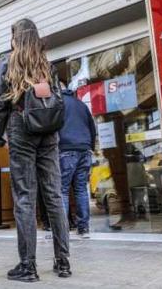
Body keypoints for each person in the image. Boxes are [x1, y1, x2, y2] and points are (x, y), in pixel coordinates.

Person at [0, 18, 71, 282]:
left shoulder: (7, 61)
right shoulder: (47, 64)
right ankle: (63, 263)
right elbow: (55, 98)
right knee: (53, 195)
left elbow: (1, 103)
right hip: (48, 131)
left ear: (15, 37)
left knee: (25, 198)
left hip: (21, 127)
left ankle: (28, 267)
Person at [58, 83, 96, 239]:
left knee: (62, 190)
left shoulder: (57, 103)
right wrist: (90, 146)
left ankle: (62, 230)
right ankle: (83, 228)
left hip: (66, 149)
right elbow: (92, 127)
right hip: (84, 150)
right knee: (81, 189)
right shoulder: (80, 104)